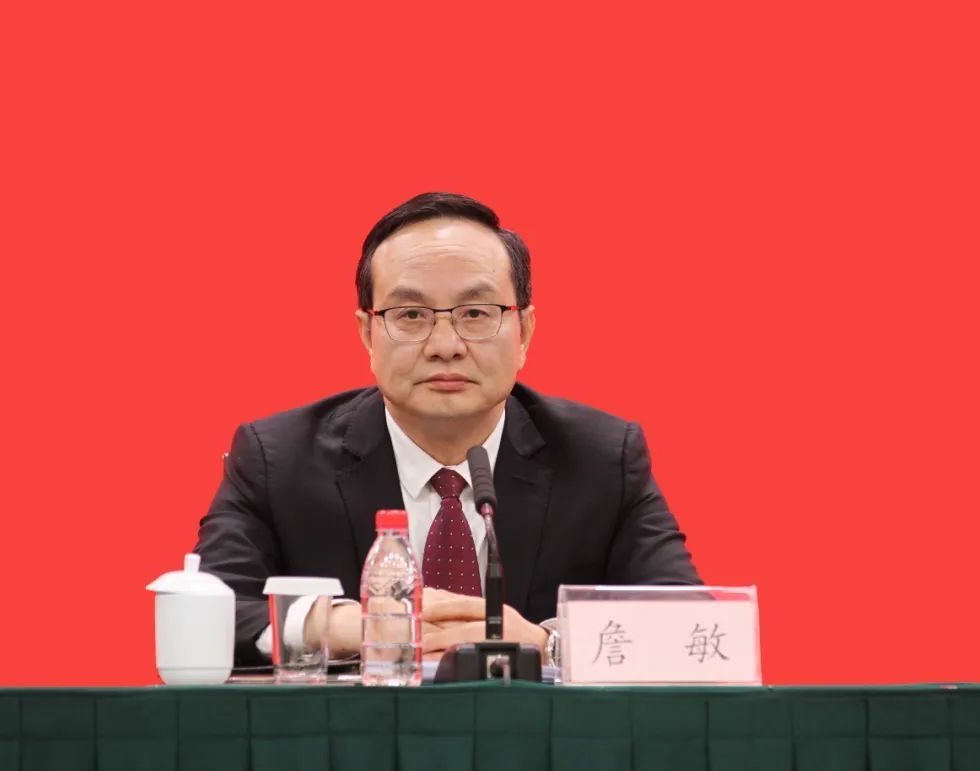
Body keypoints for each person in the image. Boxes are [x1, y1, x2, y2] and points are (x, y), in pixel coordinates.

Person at [195, 192, 701, 667]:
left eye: (475, 313)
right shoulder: (279, 460)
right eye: (411, 315)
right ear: (368, 333)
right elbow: (206, 612)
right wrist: (336, 625)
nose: (445, 345)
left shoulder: (601, 459)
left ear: (524, 331)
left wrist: (549, 645)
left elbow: (691, 630)